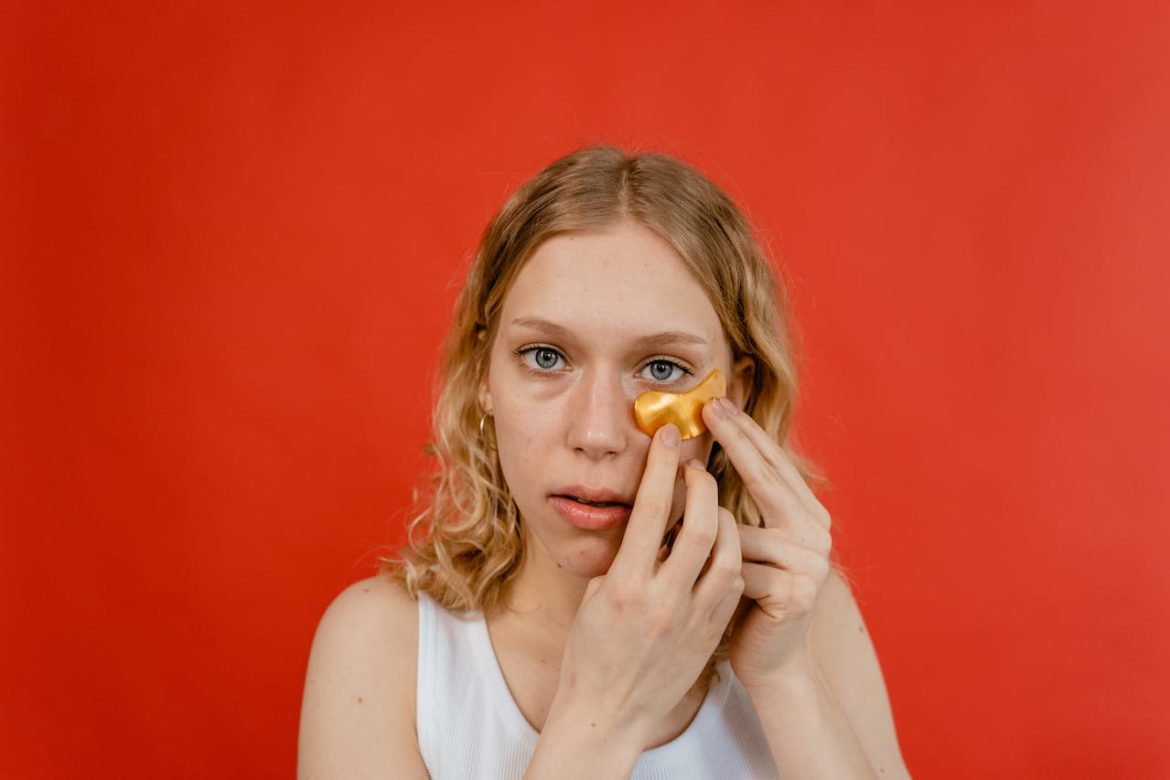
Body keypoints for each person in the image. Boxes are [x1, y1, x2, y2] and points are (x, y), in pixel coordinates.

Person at [297, 145, 911, 779]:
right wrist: (603, 712)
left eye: (662, 368)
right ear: (484, 375)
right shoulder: (385, 648)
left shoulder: (806, 621)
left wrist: (784, 678)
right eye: (545, 356)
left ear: (738, 393)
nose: (596, 434)